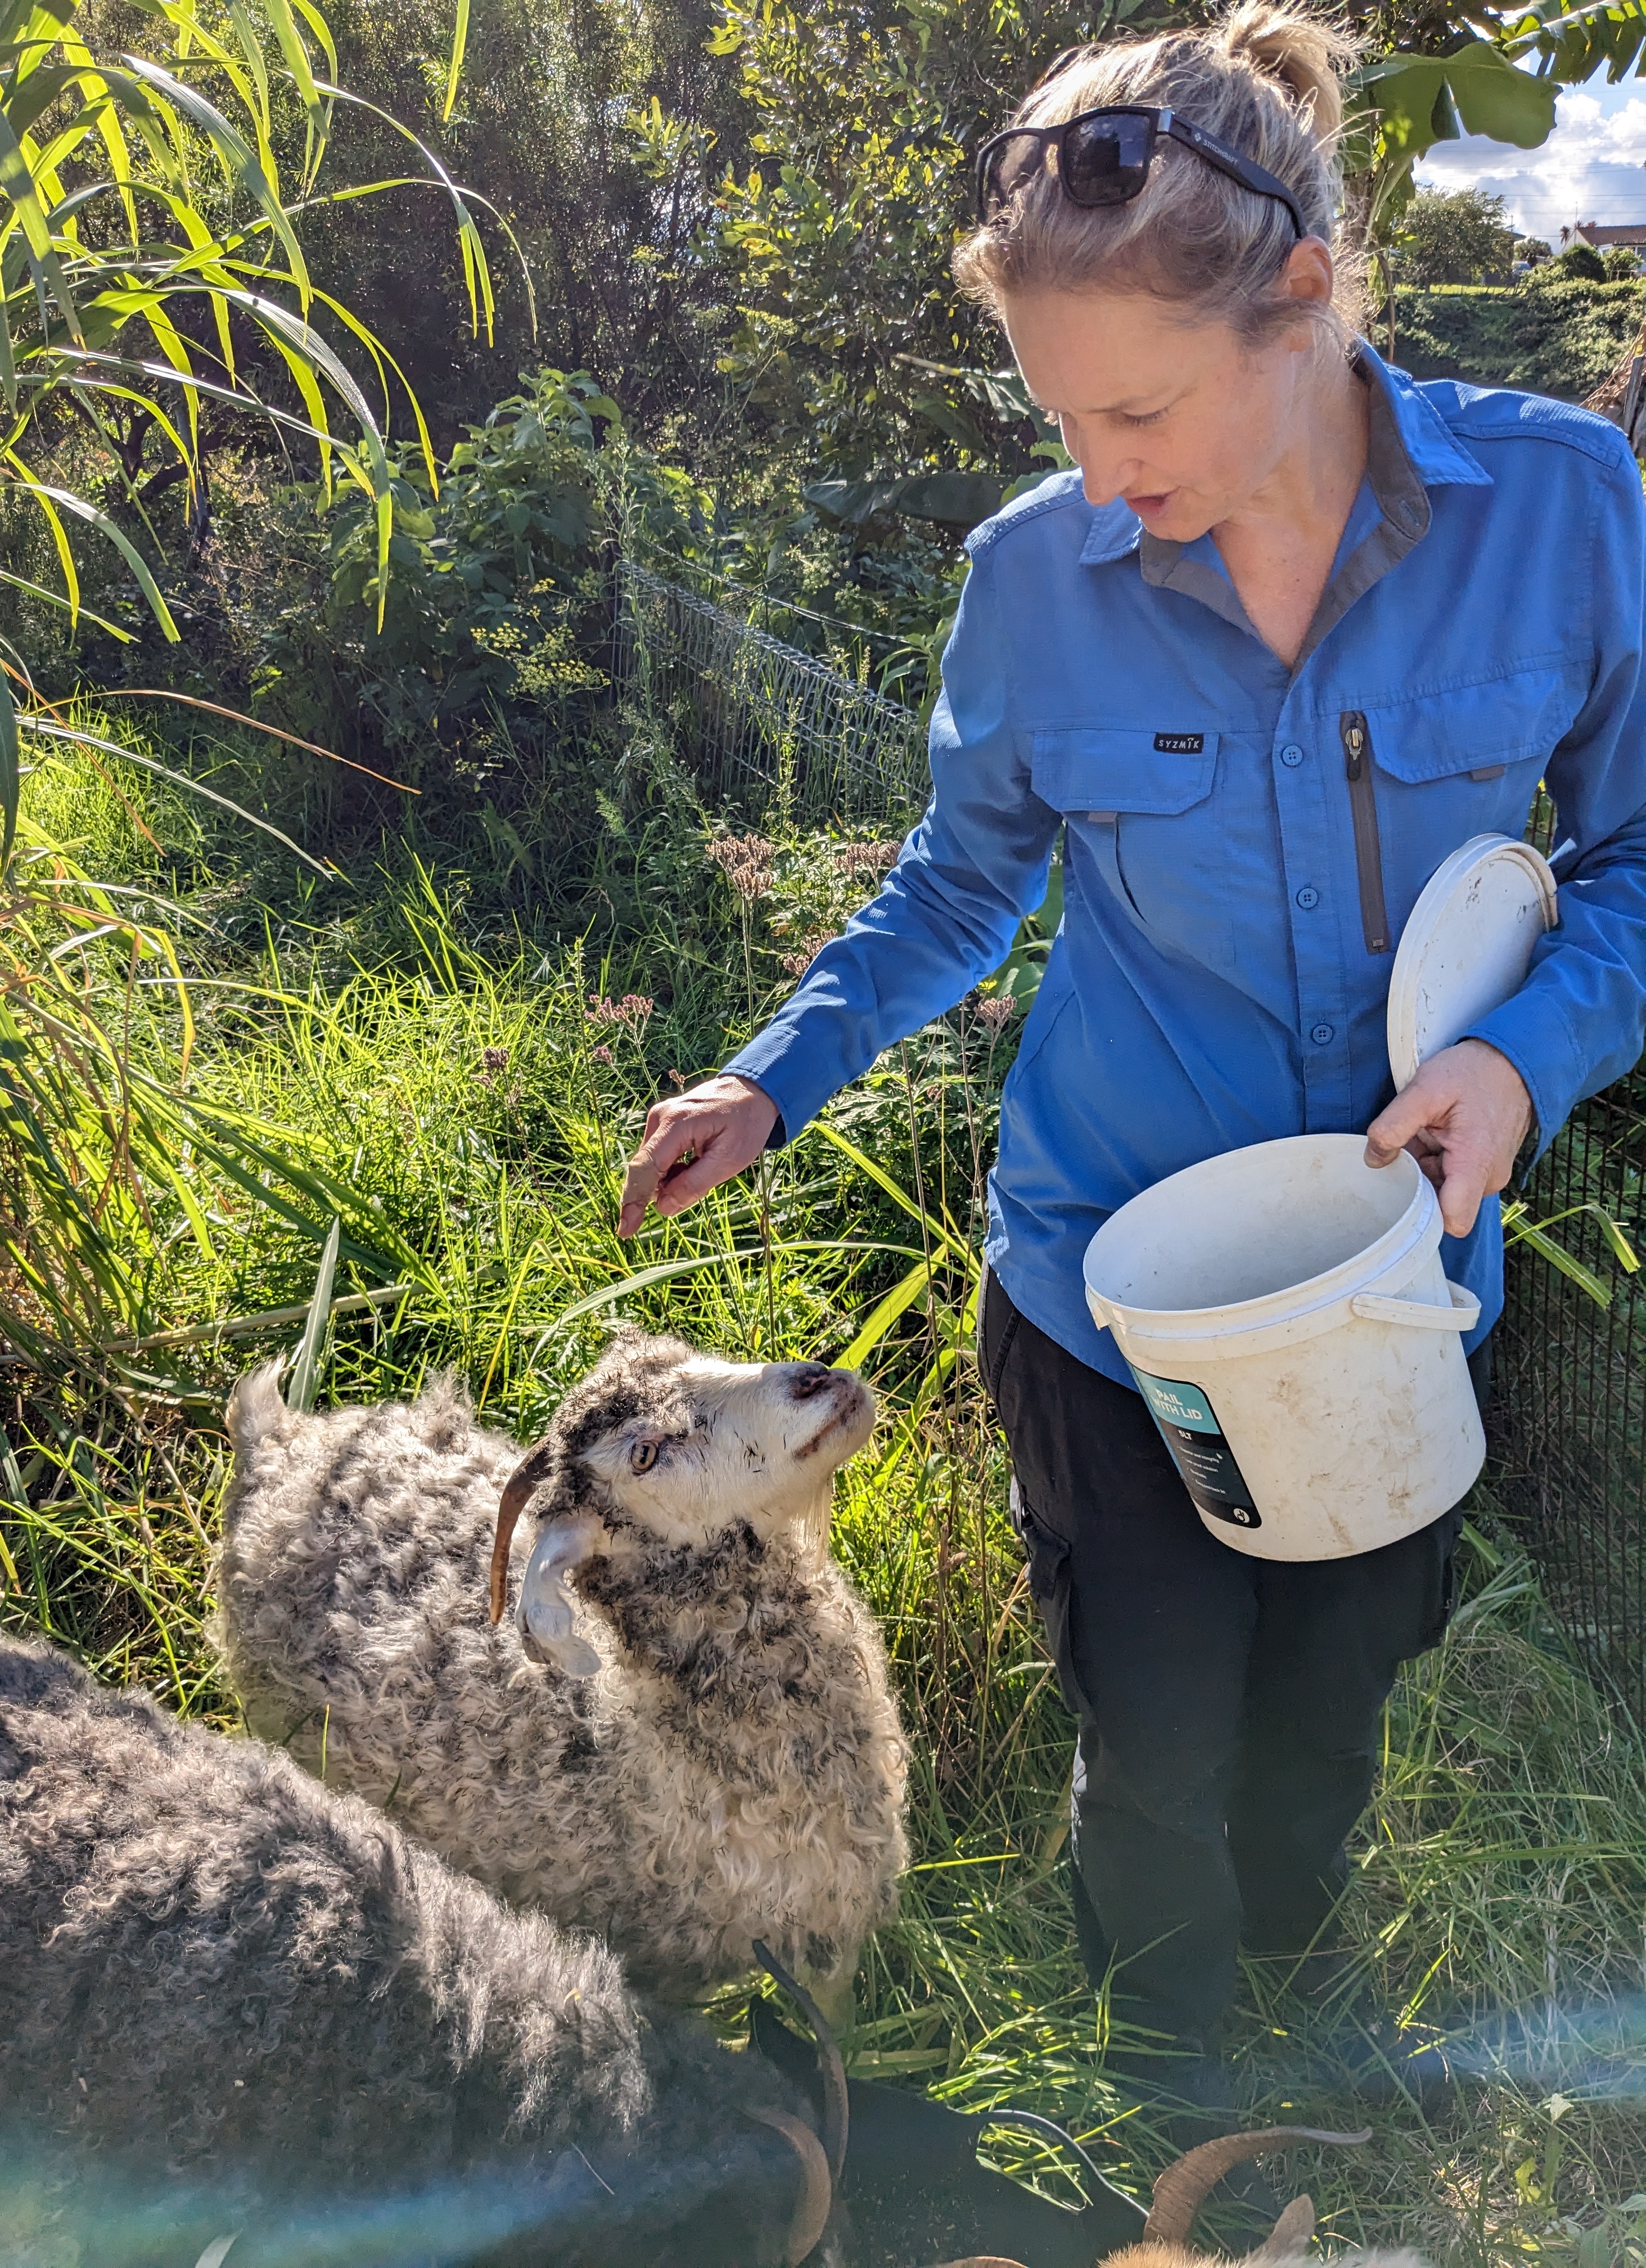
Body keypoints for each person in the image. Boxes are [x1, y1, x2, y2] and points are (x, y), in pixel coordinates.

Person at [616, 1, 1646, 2108]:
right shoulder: (1037, 577)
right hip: (1110, 1294)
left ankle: (1301, 1974)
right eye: (1063, 421)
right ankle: (1166, 2049)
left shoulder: (1566, 510)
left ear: (1304, 301)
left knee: (1330, 1706)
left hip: (1390, 1292)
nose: (1106, 478)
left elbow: (1638, 860)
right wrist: (775, 1073)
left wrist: (1527, 1060)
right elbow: (956, 882)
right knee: (1152, 1729)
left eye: (1144, 411)